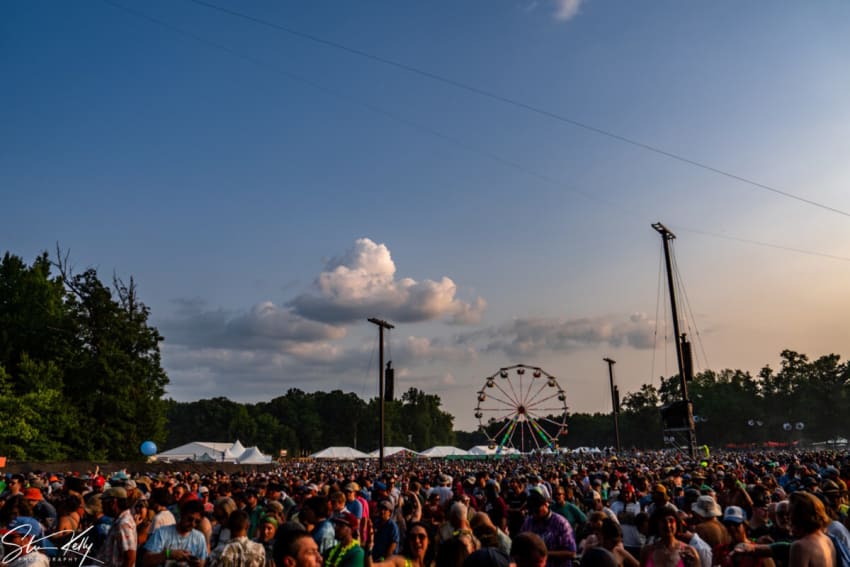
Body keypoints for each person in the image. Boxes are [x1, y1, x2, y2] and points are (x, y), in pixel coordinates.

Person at [143, 498, 209, 567]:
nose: (193, 524)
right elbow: (146, 560)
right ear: (182, 514)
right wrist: (168, 554)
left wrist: (194, 562)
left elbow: (202, 562)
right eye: (190, 519)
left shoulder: (199, 538)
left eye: (197, 522)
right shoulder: (162, 532)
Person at [520, 490, 577, 567]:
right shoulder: (528, 522)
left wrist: (544, 554)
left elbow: (571, 553)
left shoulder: (561, 523)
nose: (534, 515)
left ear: (546, 505)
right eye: (531, 512)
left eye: (537, 511)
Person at [788, 492, 836, 567]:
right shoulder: (827, 539)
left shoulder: (800, 546)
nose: (788, 518)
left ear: (797, 516)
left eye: (789, 513)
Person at [97, 487, 138, 567]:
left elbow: (130, 557)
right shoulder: (119, 521)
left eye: (104, 503)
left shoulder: (124, 523)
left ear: (113, 502)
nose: (102, 507)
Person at [368, 521, 433, 567]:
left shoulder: (434, 564)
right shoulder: (400, 562)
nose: (417, 541)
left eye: (421, 536)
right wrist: (369, 546)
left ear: (429, 541)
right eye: (412, 537)